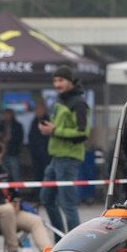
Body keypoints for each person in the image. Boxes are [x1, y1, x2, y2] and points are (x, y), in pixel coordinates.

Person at [39, 66, 89, 236]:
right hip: (56, 157)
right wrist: (48, 128)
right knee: (46, 198)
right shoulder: (60, 101)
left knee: (67, 203)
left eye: (61, 80)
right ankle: (60, 239)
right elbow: (58, 127)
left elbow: (82, 133)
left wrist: (54, 130)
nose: (57, 84)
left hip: (69, 158)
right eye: (55, 80)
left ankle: (75, 245)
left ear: (70, 81)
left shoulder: (79, 103)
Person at [26, 100, 51, 186]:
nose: (37, 111)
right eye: (36, 109)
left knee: (46, 175)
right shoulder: (34, 122)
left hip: (46, 154)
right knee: (37, 174)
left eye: (39, 109)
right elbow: (31, 137)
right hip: (35, 154)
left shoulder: (48, 122)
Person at [0, 108, 24, 181]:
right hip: (2, 152)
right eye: (5, 114)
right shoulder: (1, 125)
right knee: (3, 174)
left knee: (15, 173)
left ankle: (16, 187)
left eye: (8, 114)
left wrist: (11, 139)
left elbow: (19, 139)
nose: (7, 116)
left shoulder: (18, 126)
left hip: (13, 152)